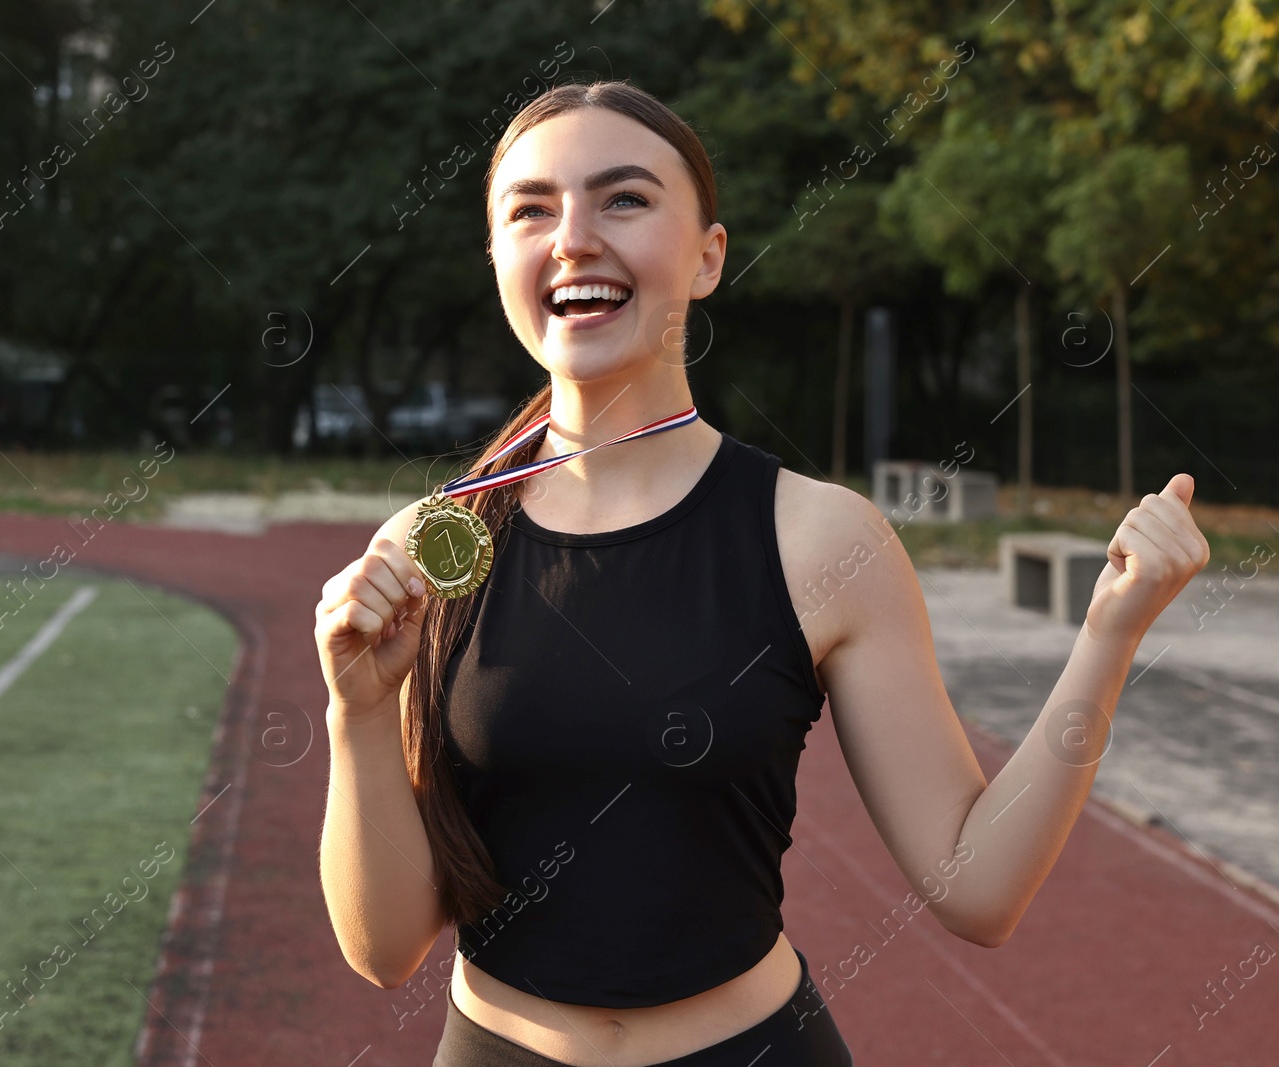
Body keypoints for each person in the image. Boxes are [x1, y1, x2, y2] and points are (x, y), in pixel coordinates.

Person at [314, 79, 1209, 1067]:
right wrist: (355, 713)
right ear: (498, 260)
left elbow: (977, 886)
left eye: (623, 198)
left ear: (707, 258)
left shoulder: (820, 538)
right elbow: (384, 948)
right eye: (531, 208)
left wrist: (1110, 632)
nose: (572, 236)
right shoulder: (432, 546)